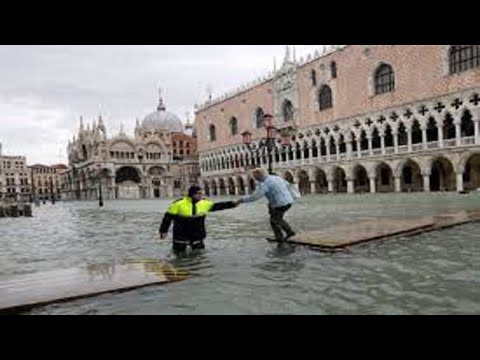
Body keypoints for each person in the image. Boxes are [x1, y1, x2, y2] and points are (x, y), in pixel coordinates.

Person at [160, 185, 238, 254]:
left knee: (199, 255)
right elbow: (167, 218)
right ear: (192, 194)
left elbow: (219, 206)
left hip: (197, 235)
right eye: (198, 194)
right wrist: (163, 231)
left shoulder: (204, 203)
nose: (200, 195)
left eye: (201, 193)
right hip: (181, 235)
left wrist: (232, 204)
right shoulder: (178, 203)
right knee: (179, 254)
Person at [237, 168, 300, 242]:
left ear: (259, 175)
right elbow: (288, 185)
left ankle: (283, 236)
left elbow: (255, 196)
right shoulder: (275, 177)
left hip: (281, 204)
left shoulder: (264, 183)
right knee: (276, 217)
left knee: (275, 220)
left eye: (255, 177)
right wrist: (294, 196)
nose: (255, 179)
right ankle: (286, 234)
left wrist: (242, 200)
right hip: (288, 201)